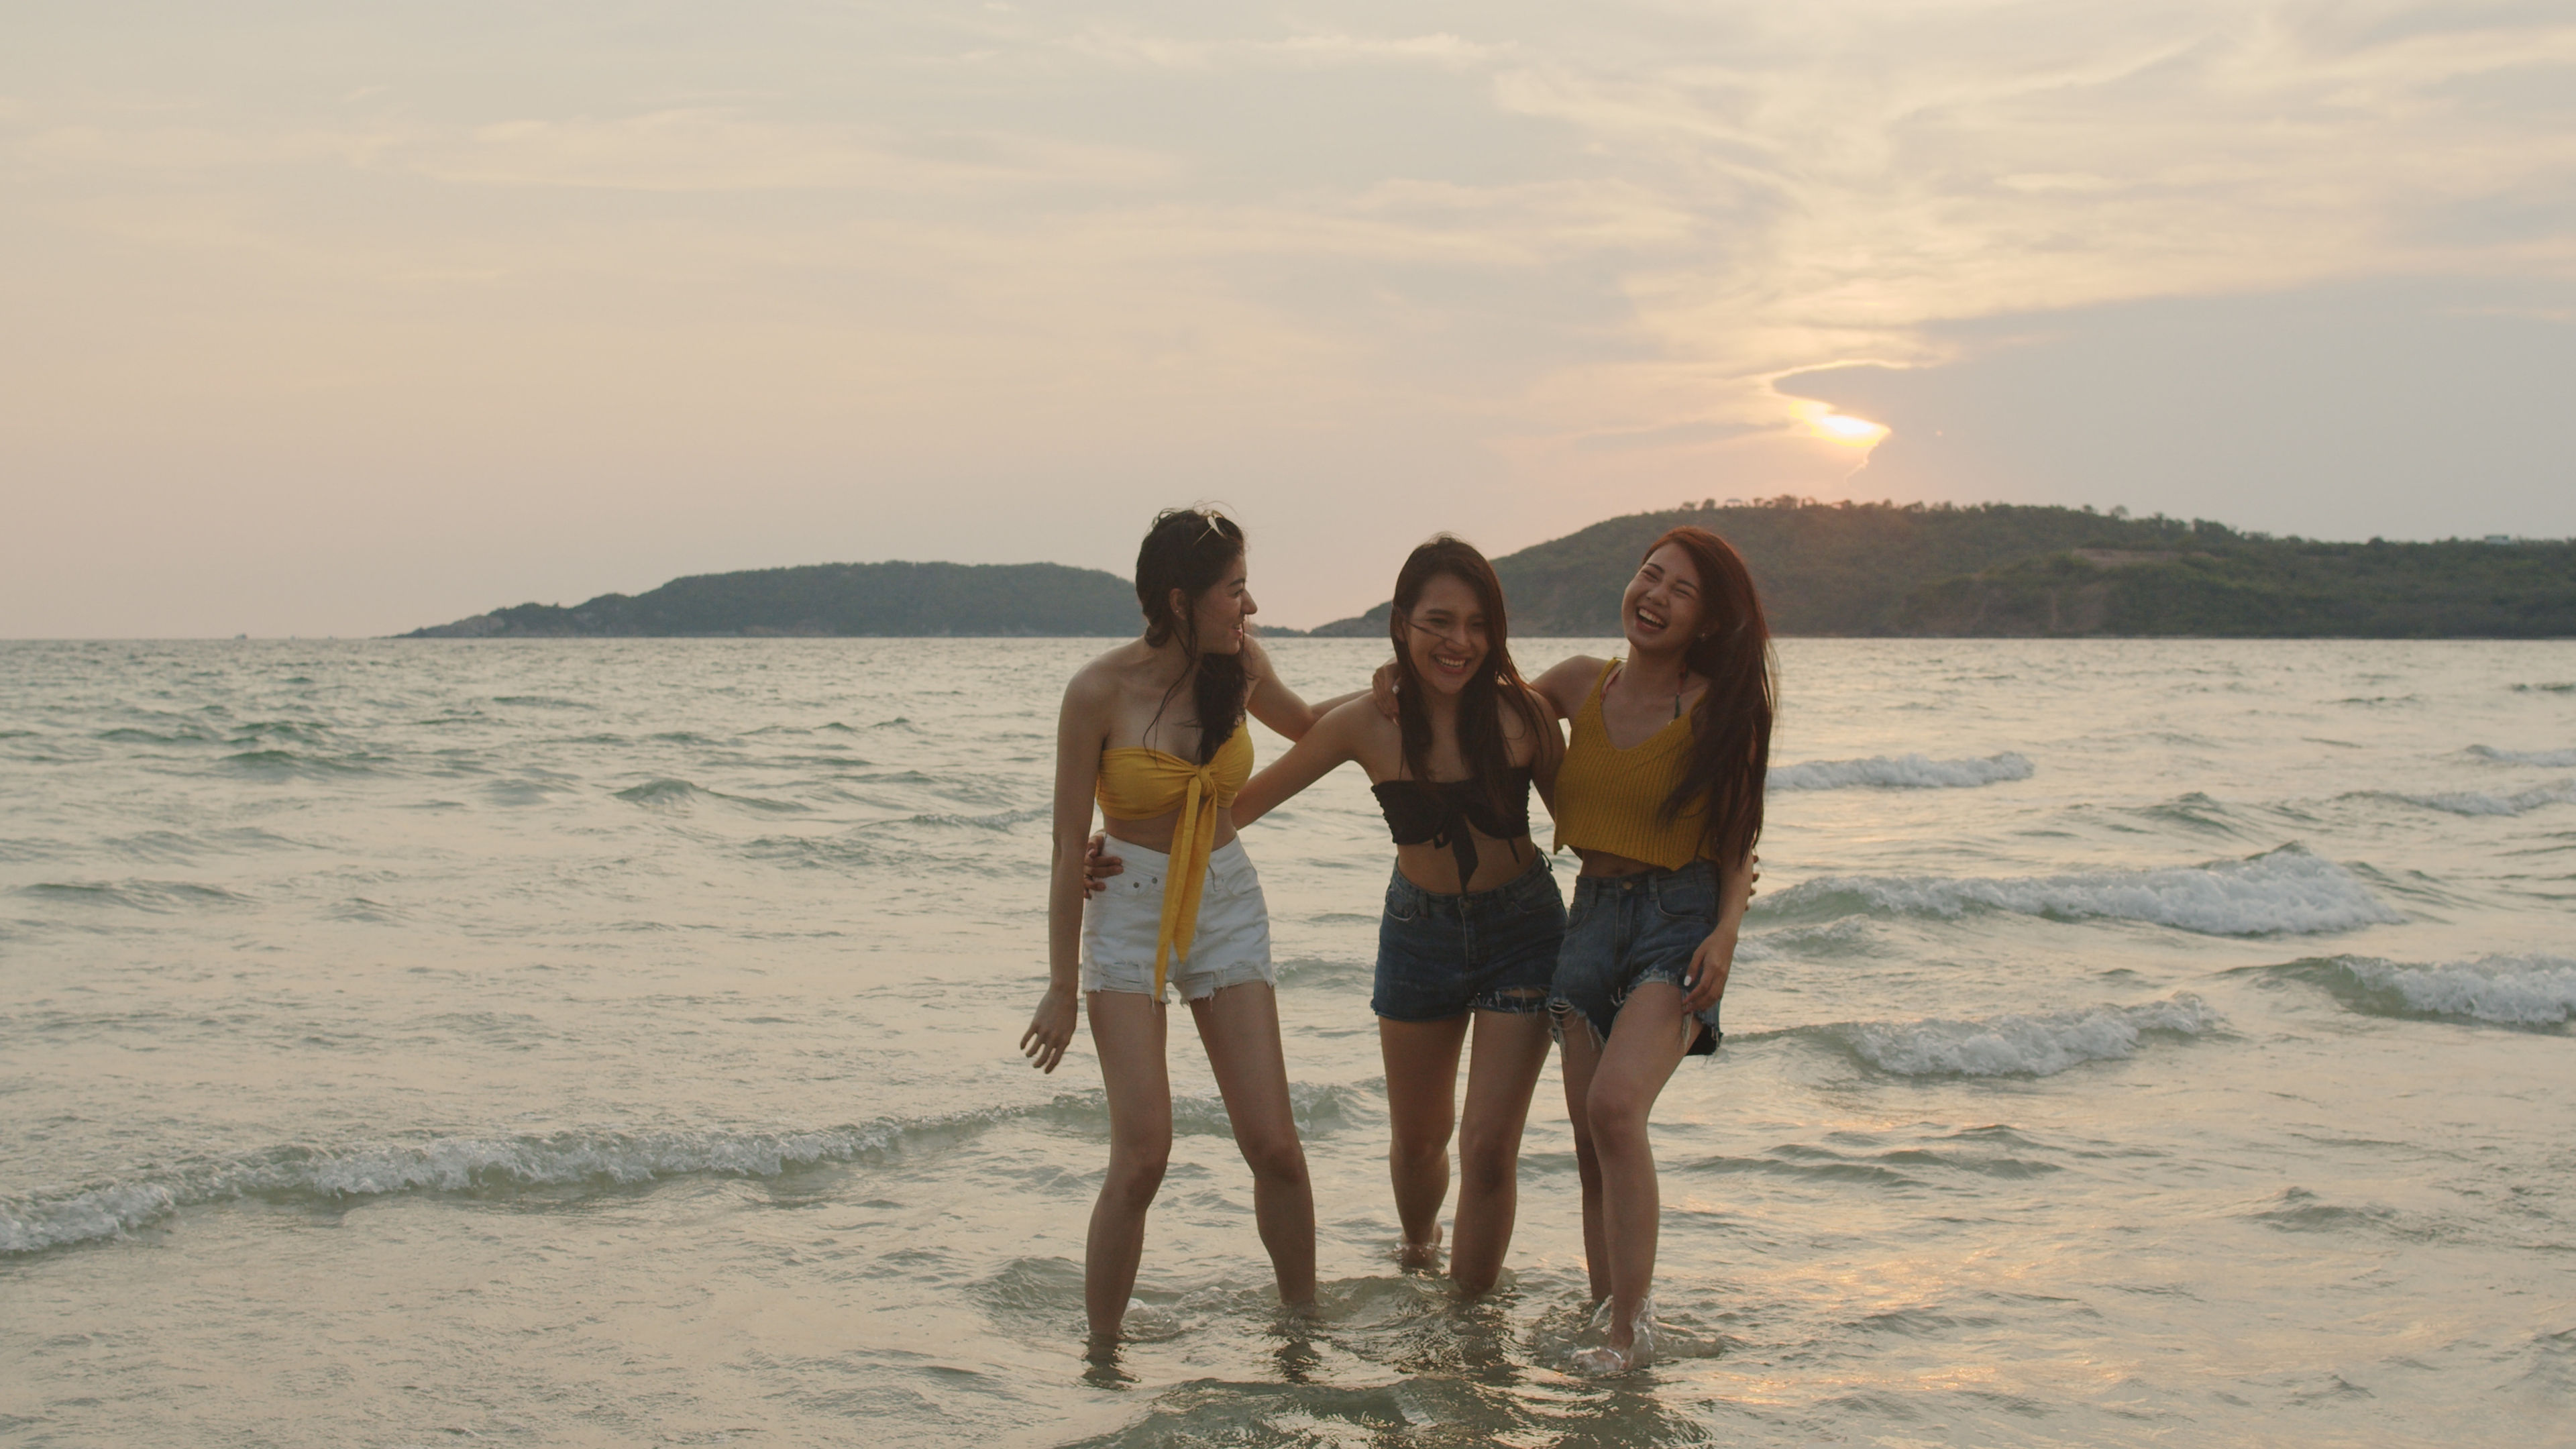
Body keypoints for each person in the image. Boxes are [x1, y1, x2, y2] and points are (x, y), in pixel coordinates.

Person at [1018, 506, 1350, 1347]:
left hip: (1228, 899)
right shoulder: (1097, 691)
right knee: (1144, 1156)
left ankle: (1302, 1335)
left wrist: (1395, 692)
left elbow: (1317, 731)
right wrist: (1061, 986)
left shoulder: (1240, 668)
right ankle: (1102, 1356)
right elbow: (1065, 846)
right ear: (1180, 599)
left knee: (1274, 1144)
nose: (1250, 605)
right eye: (1235, 589)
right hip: (1128, 909)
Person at [1211, 535, 1567, 1295]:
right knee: (1417, 1143)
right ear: (1402, 622)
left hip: (1525, 931)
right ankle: (1417, 1251)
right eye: (1439, 621)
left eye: (1477, 625)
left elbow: (1594, 836)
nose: (1459, 642)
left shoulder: (1525, 718)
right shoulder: (1366, 723)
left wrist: (1713, 877)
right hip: (1420, 935)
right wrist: (1121, 845)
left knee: (1490, 1145)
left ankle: (1471, 1329)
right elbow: (1240, 808)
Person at [1517, 525, 1774, 1373]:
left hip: (1678, 919)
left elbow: (1740, 841)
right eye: (1649, 575)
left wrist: (1726, 936)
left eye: (1681, 590)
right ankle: (1607, 1316)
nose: (1655, 597)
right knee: (1593, 1148)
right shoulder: (1578, 684)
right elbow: (1474, 704)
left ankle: (1631, 1337)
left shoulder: (1717, 709)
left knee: (1616, 1109)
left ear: (1706, 621)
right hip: (1587, 918)